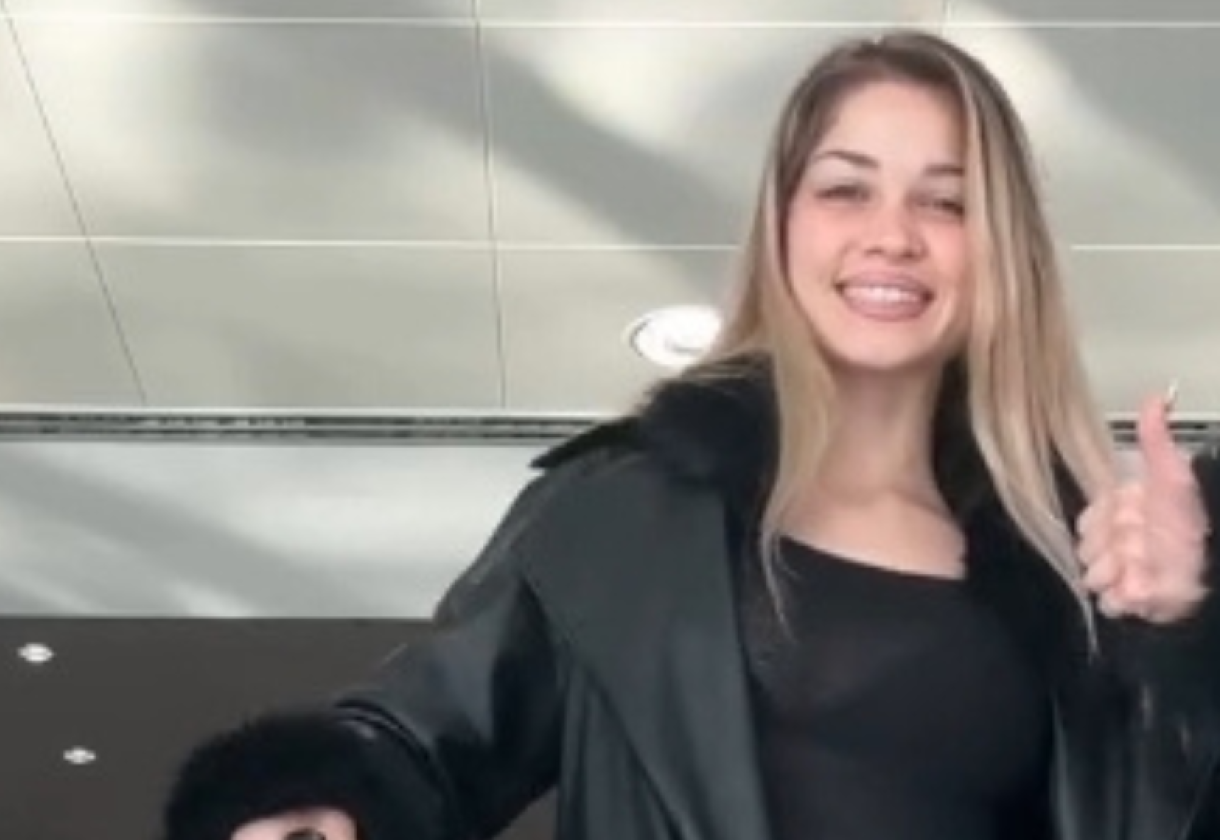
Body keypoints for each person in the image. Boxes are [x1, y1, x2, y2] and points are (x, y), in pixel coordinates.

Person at [162, 30, 1220, 840]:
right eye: (845, 188)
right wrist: (322, 802)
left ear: (1000, 250)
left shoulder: (1073, 573)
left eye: (945, 203)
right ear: (783, 222)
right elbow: (426, 732)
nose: (890, 235)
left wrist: (1186, 634)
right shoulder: (620, 512)